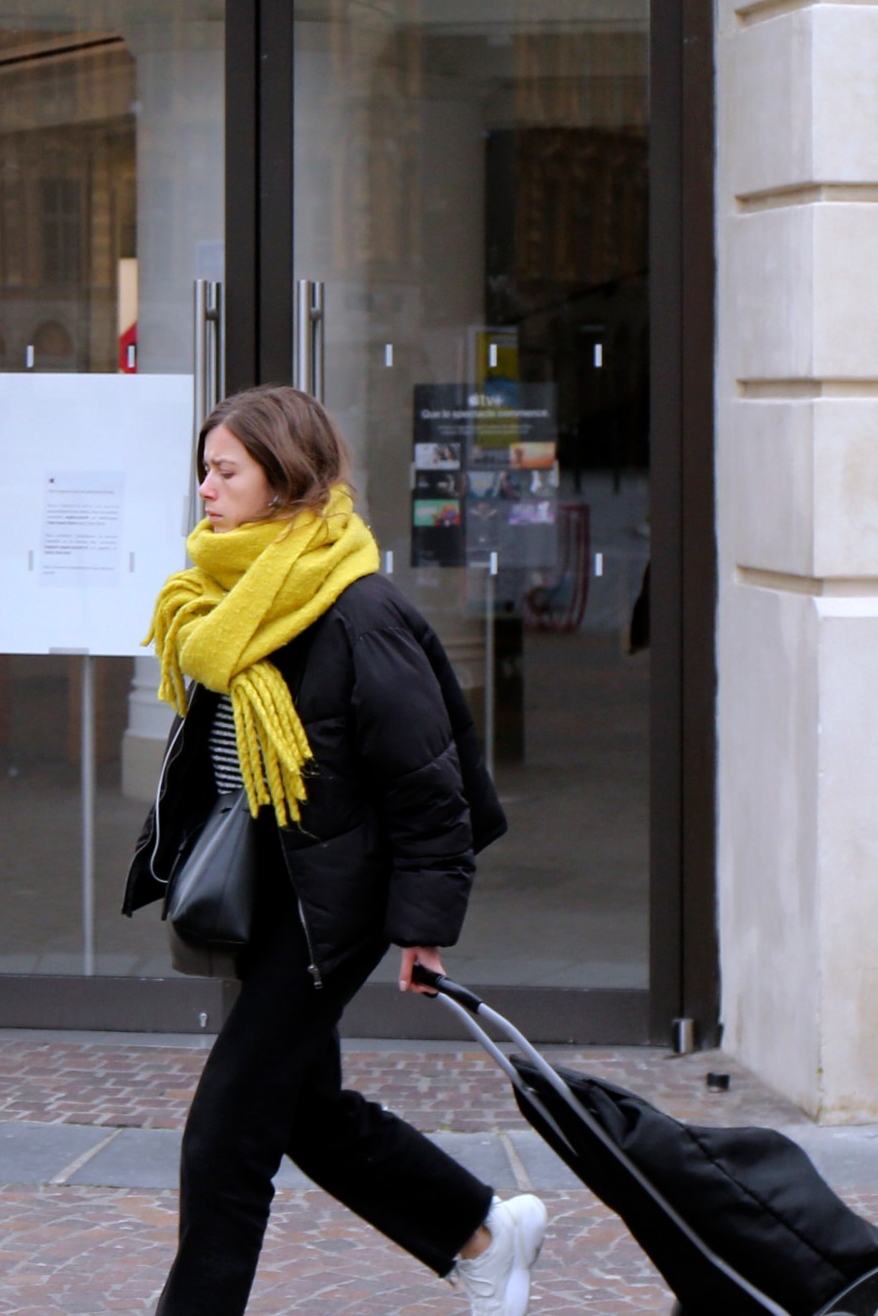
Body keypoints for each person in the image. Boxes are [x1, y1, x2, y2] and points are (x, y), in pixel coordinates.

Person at [121, 385, 546, 1316]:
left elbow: (427, 781)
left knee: (226, 1132)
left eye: (225, 470)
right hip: (266, 890)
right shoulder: (221, 595)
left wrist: (423, 926)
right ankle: (483, 1233)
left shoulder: (358, 609)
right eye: (204, 469)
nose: (205, 488)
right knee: (305, 1112)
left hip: (331, 901)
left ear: (284, 479)